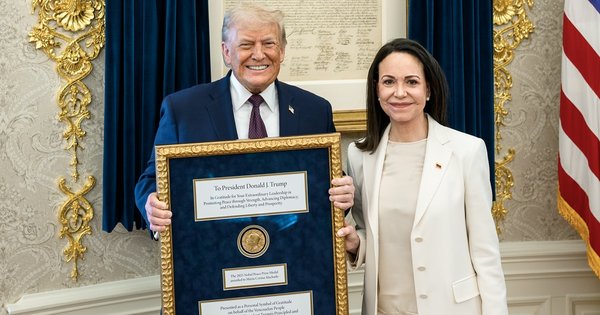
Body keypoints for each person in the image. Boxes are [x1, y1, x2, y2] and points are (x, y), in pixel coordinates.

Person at [134, 4, 354, 233]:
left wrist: (344, 193)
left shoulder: (315, 110)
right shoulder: (183, 110)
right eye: (246, 45)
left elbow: (328, 183)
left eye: (269, 43)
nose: (259, 55)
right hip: (212, 254)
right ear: (227, 52)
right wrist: (152, 204)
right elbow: (151, 180)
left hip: (293, 253)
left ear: (282, 50)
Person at [336, 38, 508, 315]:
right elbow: (371, 231)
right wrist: (357, 244)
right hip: (384, 308)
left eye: (412, 82)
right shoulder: (359, 155)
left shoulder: (467, 151)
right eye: (389, 82)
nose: (399, 92)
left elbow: (485, 251)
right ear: (376, 90)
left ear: (428, 89)